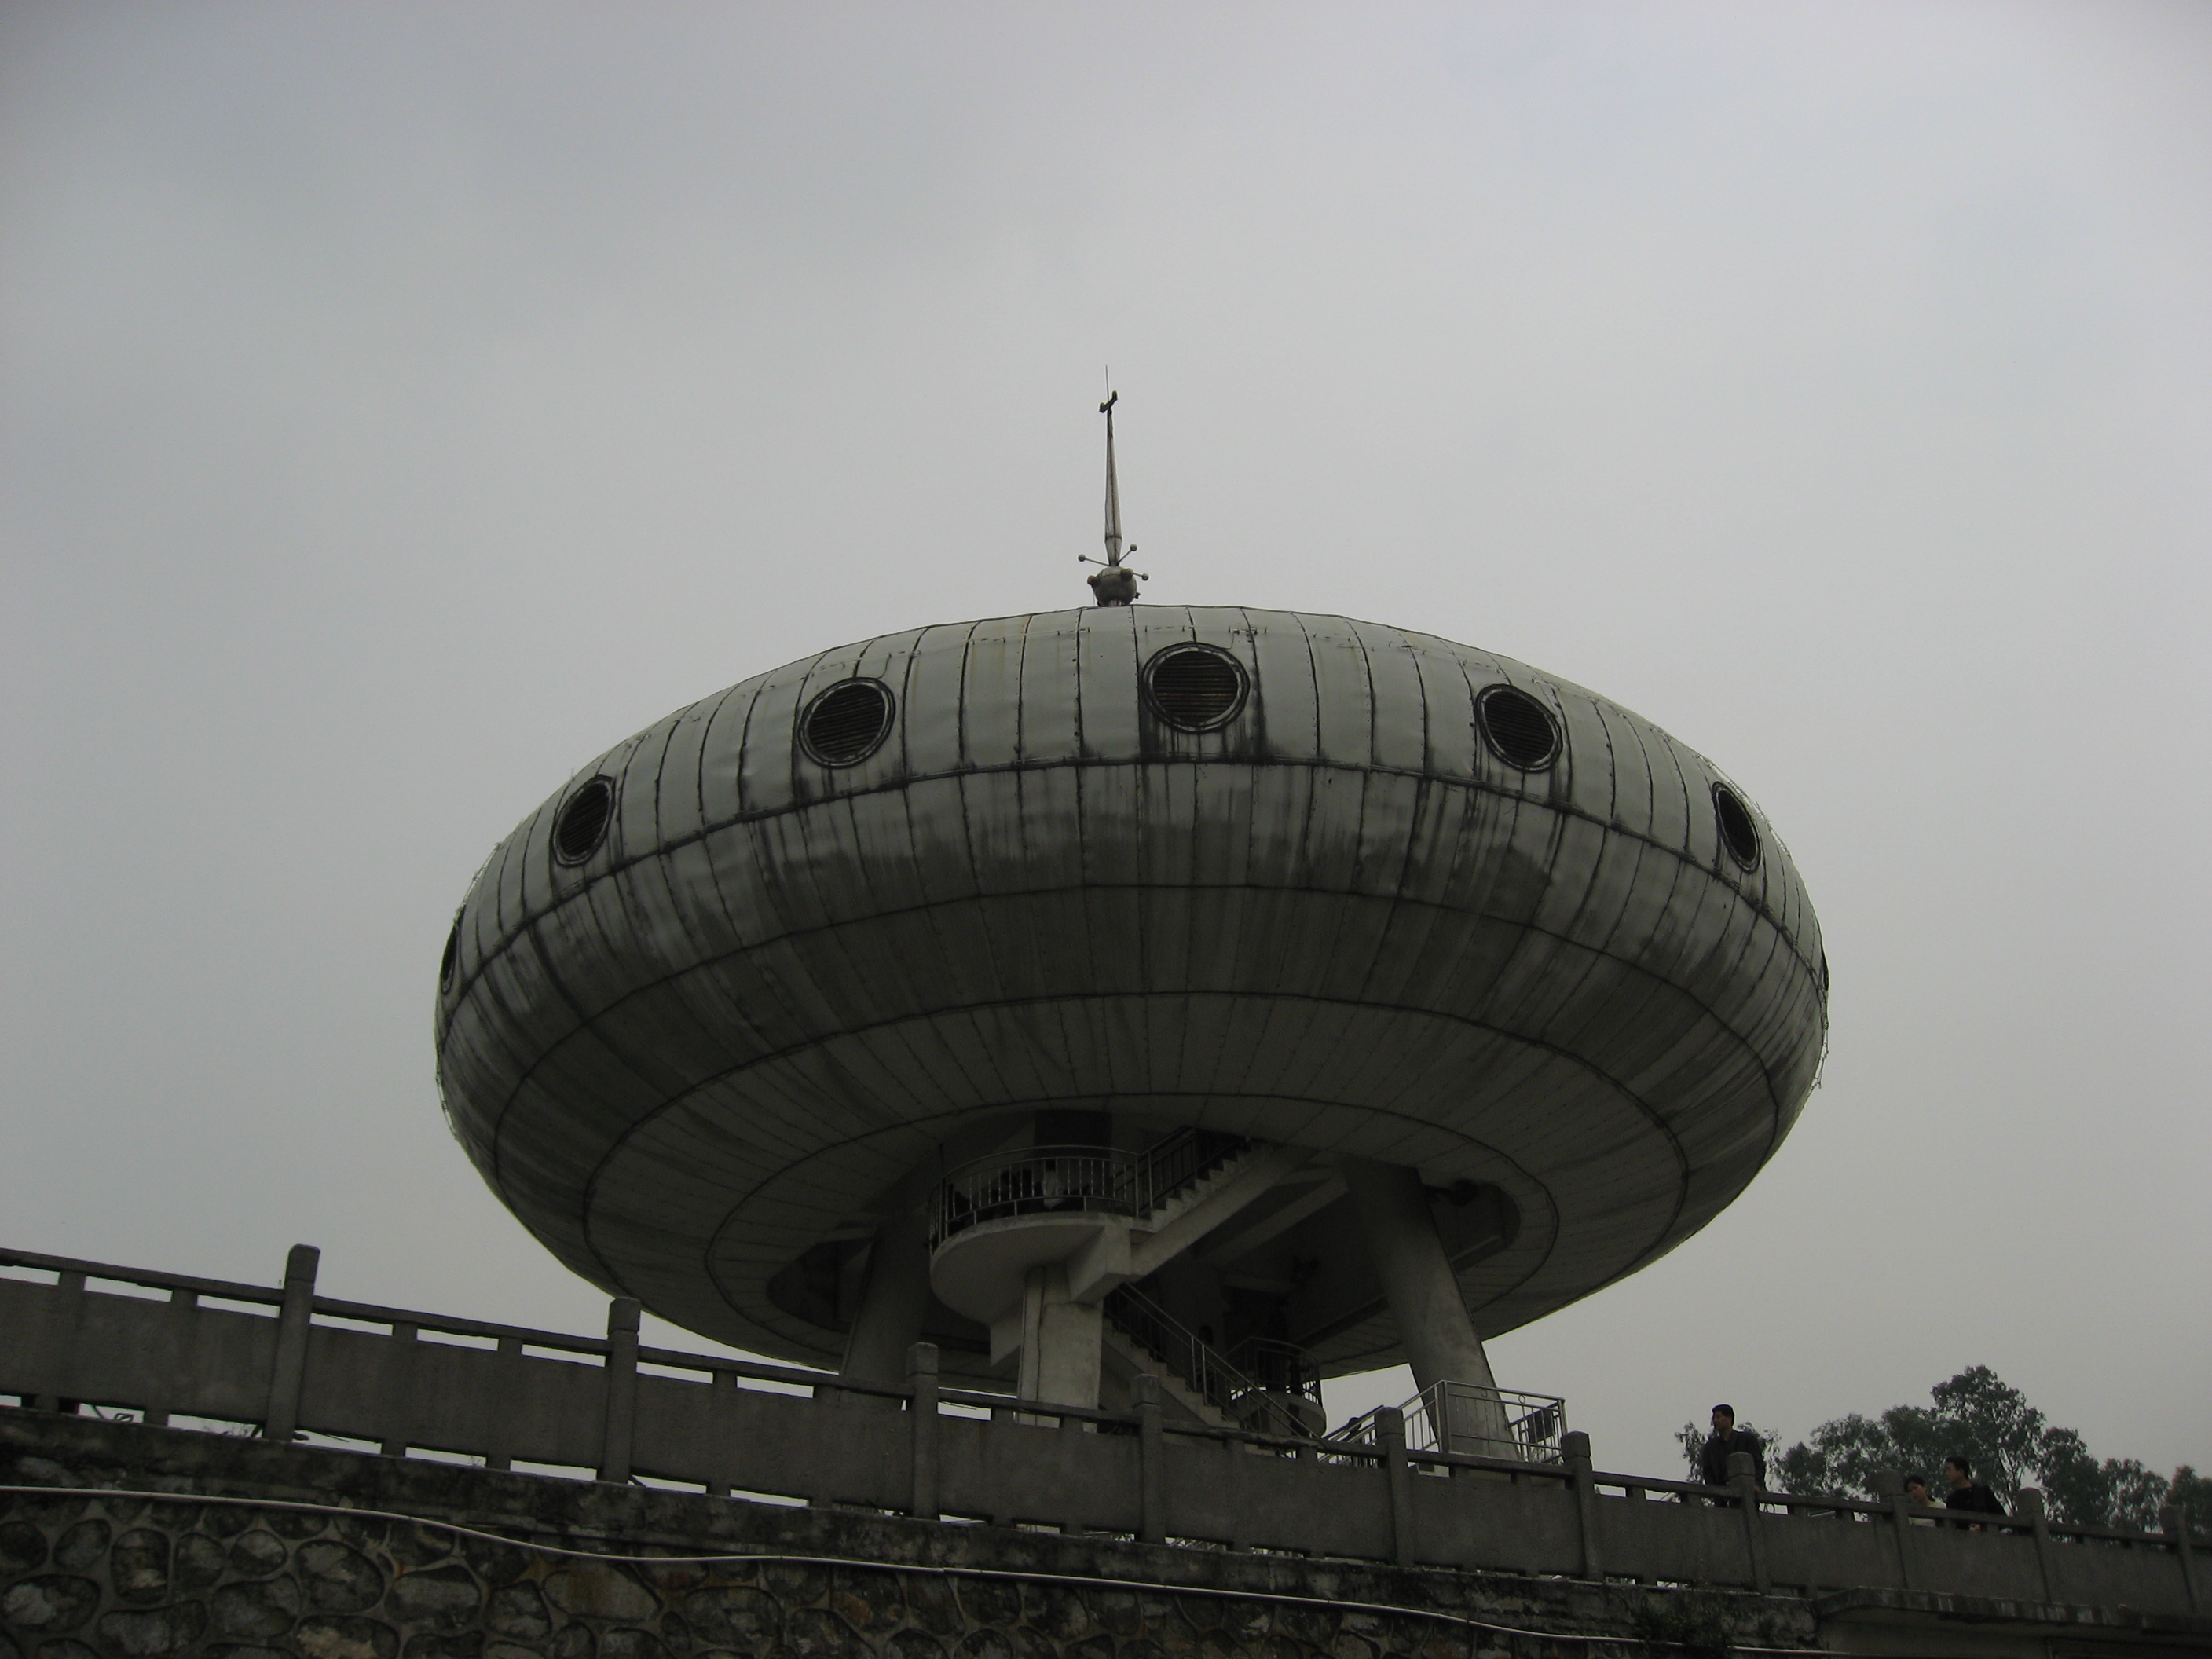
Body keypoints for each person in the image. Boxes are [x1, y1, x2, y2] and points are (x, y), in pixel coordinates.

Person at [1698, 1404, 1766, 1496]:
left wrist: (1756, 1484)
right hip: (1721, 1496)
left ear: (1729, 1418)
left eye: (1718, 1417)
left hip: (1748, 1492)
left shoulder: (1747, 1439)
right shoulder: (1710, 1447)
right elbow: (1708, 1472)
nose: (1715, 1421)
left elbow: (1758, 1464)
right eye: (1714, 1418)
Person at [1943, 1455, 2005, 1529]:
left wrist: (1982, 1526)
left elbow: (2000, 1515)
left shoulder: (1983, 1492)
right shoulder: (1952, 1499)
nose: (1947, 1474)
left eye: (1949, 1470)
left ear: (1960, 1472)